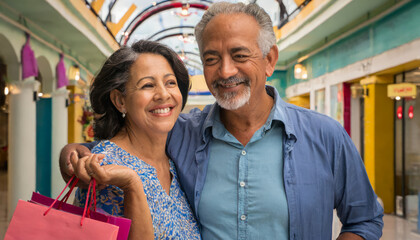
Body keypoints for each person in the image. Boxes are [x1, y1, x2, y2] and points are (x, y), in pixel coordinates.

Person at [60, 2, 384, 239]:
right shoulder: (183, 133)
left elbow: (365, 220)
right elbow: (123, 147)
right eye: (212, 59)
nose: (226, 71)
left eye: (240, 55)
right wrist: (75, 153)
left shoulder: (325, 136)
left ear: (269, 59)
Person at [68, 40, 200, 239]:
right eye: (148, 85)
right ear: (120, 101)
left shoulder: (173, 161)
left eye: (170, 82)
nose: (163, 94)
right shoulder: (105, 167)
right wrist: (132, 184)